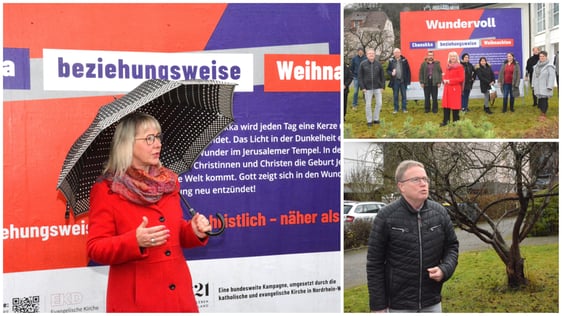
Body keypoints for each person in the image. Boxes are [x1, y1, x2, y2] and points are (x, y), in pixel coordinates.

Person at [87, 113, 212, 312]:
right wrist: (134, 241)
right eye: (149, 139)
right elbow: (95, 248)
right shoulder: (107, 189)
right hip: (138, 303)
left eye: (158, 137)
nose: (157, 144)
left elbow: (173, 231)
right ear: (127, 144)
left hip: (178, 297)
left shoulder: (168, 182)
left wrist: (193, 231)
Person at [367, 160, 459, 313]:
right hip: (398, 306)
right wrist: (378, 306)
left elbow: (452, 247)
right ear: (401, 186)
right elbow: (374, 263)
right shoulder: (386, 216)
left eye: (425, 179)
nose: (423, 184)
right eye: (416, 180)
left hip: (432, 302)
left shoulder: (440, 213)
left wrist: (445, 270)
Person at [358, 48, 385, 126]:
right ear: (367, 55)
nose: (371, 55)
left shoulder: (378, 64)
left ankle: (376, 119)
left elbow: (382, 76)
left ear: (374, 55)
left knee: (379, 103)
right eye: (369, 53)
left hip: (377, 87)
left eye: (372, 53)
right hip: (367, 88)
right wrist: (362, 87)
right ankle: (369, 120)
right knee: (368, 105)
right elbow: (360, 77)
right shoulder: (362, 64)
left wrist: (383, 86)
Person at [440, 51, 464, 126]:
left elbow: (461, 78)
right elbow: (446, 76)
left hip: (455, 89)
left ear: (456, 58)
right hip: (447, 89)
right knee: (446, 105)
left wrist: (450, 81)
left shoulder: (459, 66)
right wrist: (443, 79)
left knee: (455, 106)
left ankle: (455, 122)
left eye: (454, 56)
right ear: (449, 58)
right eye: (451, 56)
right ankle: (445, 121)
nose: (452, 58)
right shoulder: (448, 66)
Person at [532, 51, 556, 121]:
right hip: (538, 86)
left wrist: (549, 86)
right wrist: (533, 84)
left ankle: (543, 113)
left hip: (545, 86)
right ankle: (542, 111)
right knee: (540, 99)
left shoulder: (549, 66)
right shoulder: (536, 66)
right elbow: (534, 76)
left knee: (544, 99)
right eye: (540, 56)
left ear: (546, 57)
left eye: (543, 56)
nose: (541, 58)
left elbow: (551, 77)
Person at [387, 48, 412, 113]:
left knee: (404, 95)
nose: (397, 54)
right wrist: (391, 73)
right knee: (395, 96)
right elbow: (388, 70)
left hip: (403, 81)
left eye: (398, 52)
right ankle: (396, 109)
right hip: (395, 81)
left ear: (400, 53)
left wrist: (408, 81)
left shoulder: (404, 60)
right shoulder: (391, 61)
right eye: (395, 52)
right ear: (393, 53)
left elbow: (408, 71)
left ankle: (404, 108)